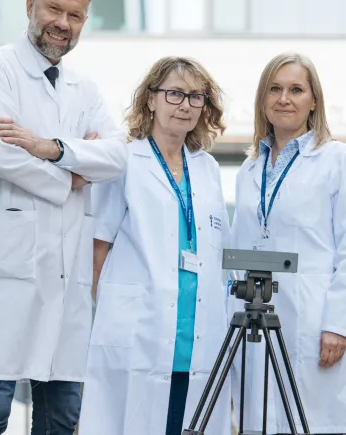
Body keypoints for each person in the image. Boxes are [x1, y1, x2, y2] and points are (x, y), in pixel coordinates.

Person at [0, 0, 128, 435]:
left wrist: (51, 149)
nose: (63, 23)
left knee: (62, 417)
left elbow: (116, 156)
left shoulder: (84, 88)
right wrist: (69, 176)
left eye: (76, 15)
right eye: (53, 8)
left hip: (65, 276)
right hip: (5, 268)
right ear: (31, 6)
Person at [77, 56, 232, 435]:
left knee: (191, 421)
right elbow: (99, 250)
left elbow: (220, 255)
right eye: (175, 93)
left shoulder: (207, 168)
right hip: (138, 332)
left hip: (197, 334)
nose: (184, 105)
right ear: (151, 99)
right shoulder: (125, 160)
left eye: (196, 97)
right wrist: (112, 315)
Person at [229, 53, 346, 435]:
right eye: (274, 89)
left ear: (314, 101)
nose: (284, 99)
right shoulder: (249, 169)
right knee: (263, 420)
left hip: (315, 319)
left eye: (296, 89)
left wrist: (337, 325)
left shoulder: (338, 160)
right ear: (263, 100)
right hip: (256, 320)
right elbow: (239, 249)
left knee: (317, 421)